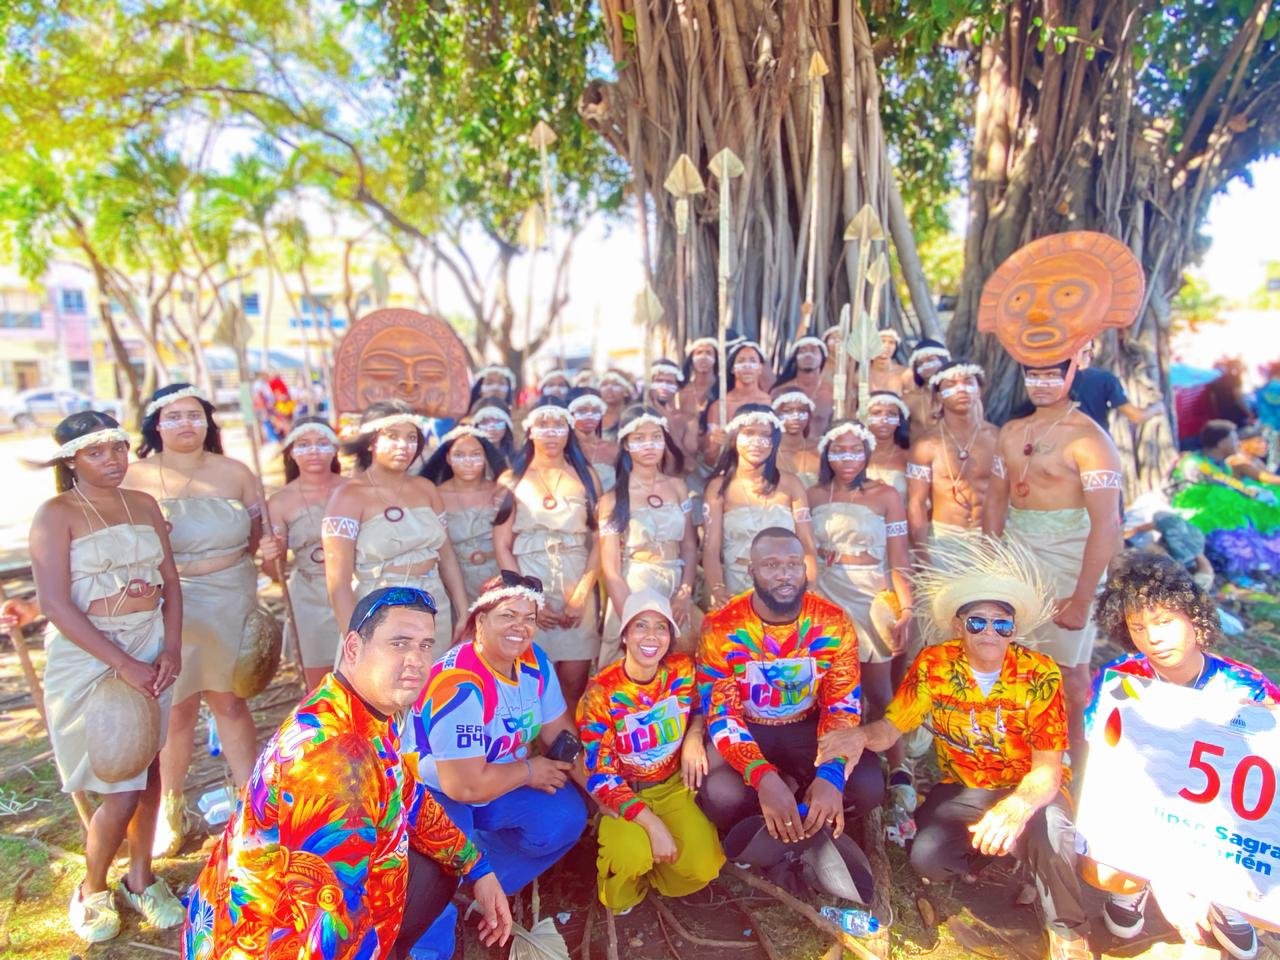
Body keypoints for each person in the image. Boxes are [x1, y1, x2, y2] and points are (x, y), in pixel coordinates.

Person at [182, 586, 512, 960]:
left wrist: (476, 867)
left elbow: (409, 797)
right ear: (353, 648)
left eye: (425, 645)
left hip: (258, 918)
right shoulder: (335, 762)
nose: (417, 660)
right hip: (268, 944)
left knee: (436, 864)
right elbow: (328, 927)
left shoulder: (355, 707)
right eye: (399, 643)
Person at [816, 534, 1092, 960]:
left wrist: (1017, 808)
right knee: (927, 858)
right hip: (965, 785)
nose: (990, 632)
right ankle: (1002, 853)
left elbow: (1047, 770)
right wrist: (860, 737)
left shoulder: (1041, 674)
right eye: (977, 622)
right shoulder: (934, 664)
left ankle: (1068, 929)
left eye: (1002, 624)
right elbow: (893, 727)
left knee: (1053, 831)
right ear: (959, 626)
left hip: (1027, 787)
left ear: (1014, 630)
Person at [31, 412, 185, 941]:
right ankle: (92, 887)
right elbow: (54, 603)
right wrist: (123, 663)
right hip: (91, 651)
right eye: (96, 452)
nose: (112, 460)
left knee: (149, 767)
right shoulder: (56, 514)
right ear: (71, 461)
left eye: (117, 448)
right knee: (119, 783)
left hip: (149, 643)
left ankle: (141, 878)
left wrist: (171, 647)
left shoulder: (143, 504)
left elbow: (170, 583)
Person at [1081, 550, 1276, 959]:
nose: (1153, 638)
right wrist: (1165, 875)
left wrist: (1264, 723)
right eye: (1138, 627)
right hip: (1144, 810)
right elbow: (1107, 770)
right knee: (1102, 868)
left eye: (1165, 622)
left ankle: (1224, 898)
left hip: (1222, 825)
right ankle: (1136, 887)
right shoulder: (1120, 680)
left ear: (1194, 618)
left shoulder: (1246, 686)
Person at [403, 573, 588, 960]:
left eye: (528, 618)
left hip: (500, 781)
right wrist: (530, 772)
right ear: (480, 620)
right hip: (436, 792)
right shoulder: (458, 683)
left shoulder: (533, 661)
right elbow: (464, 786)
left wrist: (605, 796)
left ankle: (477, 893)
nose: (520, 627)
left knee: (565, 818)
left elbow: (560, 733)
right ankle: (429, 941)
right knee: (439, 861)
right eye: (507, 616)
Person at [123, 383, 265, 856]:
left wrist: (271, 548)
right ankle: (169, 808)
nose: (186, 424)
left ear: (208, 422)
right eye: (174, 416)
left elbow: (258, 536)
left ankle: (252, 806)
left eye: (195, 415)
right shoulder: (134, 476)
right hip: (168, 599)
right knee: (177, 706)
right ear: (156, 425)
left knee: (230, 700)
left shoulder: (236, 472)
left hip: (230, 594)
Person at [697, 527, 884, 842]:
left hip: (807, 727)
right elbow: (722, 714)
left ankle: (801, 816)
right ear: (751, 571)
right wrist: (763, 777)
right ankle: (778, 823)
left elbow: (841, 705)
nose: (784, 574)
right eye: (771, 565)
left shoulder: (833, 622)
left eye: (793, 564)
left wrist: (831, 775)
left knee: (867, 786)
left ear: (804, 569)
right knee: (721, 795)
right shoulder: (721, 627)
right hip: (748, 727)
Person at [985, 357, 1123, 770]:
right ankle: (1020, 760)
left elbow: (1107, 524)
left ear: (1071, 375)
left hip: (1069, 561)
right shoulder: (1011, 431)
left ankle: (1075, 768)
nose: (1041, 383)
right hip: (1017, 559)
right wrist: (988, 565)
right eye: (1034, 374)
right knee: (1013, 663)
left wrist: (1082, 600)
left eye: (1051, 375)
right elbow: (995, 501)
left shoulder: (1089, 439)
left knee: (1067, 673)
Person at [578, 590, 724, 914]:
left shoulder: (681, 670)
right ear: (625, 635)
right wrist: (652, 825)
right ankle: (629, 885)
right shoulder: (601, 692)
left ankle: (657, 876)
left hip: (672, 786)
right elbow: (601, 776)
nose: (651, 636)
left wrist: (694, 734)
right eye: (640, 626)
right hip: (623, 794)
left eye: (661, 628)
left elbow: (700, 706)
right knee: (629, 857)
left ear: (671, 637)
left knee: (705, 867)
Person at [808, 420, 914, 803]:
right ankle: (827, 760)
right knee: (825, 684)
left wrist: (905, 606)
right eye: (839, 450)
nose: (848, 458)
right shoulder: (813, 495)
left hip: (870, 597)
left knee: (879, 689)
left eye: (856, 450)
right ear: (826, 453)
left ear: (867, 453)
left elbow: (899, 558)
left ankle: (899, 766)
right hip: (826, 595)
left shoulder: (886, 495)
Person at [323, 401, 468, 658]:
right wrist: (356, 642)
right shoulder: (348, 496)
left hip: (434, 605)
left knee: (434, 679)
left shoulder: (426, 489)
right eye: (392, 436)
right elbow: (338, 583)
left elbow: (446, 556)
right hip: (380, 610)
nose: (403, 445)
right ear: (371, 442)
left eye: (411, 437)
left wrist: (462, 609)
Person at [493, 399, 602, 708]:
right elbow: (502, 545)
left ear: (569, 430)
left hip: (576, 579)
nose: (551, 433)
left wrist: (581, 594)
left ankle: (569, 737)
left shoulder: (587, 476)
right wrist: (529, 600)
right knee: (532, 678)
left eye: (558, 425)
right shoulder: (511, 479)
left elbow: (600, 540)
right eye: (543, 425)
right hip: (529, 579)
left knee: (574, 678)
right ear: (529, 430)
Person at [597, 406, 697, 666]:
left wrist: (684, 593)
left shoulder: (678, 487)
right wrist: (631, 616)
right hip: (635, 586)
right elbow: (611, 569)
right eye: (639, 439)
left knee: (679, 662)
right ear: (626, 444)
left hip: (674, 583)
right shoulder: (613, 498)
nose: (649, 445)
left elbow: (688, 545)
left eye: (656, 437)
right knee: (633, 663)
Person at [701, 404, 817, 607]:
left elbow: (806, 545)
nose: (757, 442)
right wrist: (718, 589)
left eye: (765, 435)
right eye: (749, 434)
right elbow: (711, 549)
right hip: (735, 587)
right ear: (734, 437)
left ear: (774, 442)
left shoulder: (791, 484)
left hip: (786, 587)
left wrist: (810, 587)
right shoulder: (718, 487)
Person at [259, 417, 345, 691]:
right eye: (304, 445)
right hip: (309, 595)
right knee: (320, 685)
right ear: (291, 453)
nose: (314, 451)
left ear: (335, 448)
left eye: (322, 443)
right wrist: (270, 554)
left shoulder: (354, 489)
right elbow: (275, 573)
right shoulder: (280, 501)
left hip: (355, 587)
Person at [906, 362, 1000, 555]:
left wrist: (995, 545)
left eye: (968, 382)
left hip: (991, 538)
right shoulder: (926, 446)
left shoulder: (998, 439)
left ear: (979, 390)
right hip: (945, 540)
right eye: (950, 385)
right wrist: (923, 555)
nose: (961, 389)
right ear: (939, 396)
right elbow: (916, 503)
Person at [421, 425, 506, 603]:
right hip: (453, 579)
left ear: (485, 457)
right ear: (448, 458)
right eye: (459, 455)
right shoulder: (435, 495)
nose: (468, 461)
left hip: (499, 577)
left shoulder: (500, 491)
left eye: (475, 454)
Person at [701, 341, 774, 466]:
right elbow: (710, 459)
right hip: (730, 470)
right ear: (732, 369)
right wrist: (717, 443)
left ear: (760, 368)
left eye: (752, 361)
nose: (747, 366)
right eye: (741, 361)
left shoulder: (771, 403)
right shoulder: (719, 407)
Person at [1070, 341, 1162, 430]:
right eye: (1089, 351)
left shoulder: (1062, 380)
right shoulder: (1105, 379)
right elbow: (1136, 416)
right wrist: (1156, 408)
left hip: (1067, 438)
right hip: (1096, 437)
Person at [773, 336, 832, 434]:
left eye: (814, 351)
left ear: (823, 357)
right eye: (803, 351)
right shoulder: (780, 392)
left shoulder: (831, 393)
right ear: (795, 358)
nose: (808, 355)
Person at [645, 358, 698, 460]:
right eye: (658, 381)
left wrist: (670, 425)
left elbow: (688, 464)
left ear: (677, 387)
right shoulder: (636, 417)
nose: (664, 386)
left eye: (669, 382)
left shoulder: (688, 420)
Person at [569, 389, 620, 492]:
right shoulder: (562, 450)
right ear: (570, 414)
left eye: (596, 411)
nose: (590, 416)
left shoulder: (614, 449)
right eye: (582, 411)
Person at [864, 391, 911, 499]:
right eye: (877, 413)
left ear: (899, 421)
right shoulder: (856, 454)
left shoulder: (909, 457)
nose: (884, 420)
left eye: (891, 414)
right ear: (865, 418)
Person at [772, 390, 821, 487]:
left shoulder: (819, 450)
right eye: (787, 411)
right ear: (776, 416)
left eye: (802, 411)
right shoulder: (768, 452)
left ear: (809, 416)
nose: (796, 416)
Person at [900, 338, 950, 429]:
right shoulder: (909, 400)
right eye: (920, 363)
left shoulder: (959, 394)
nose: (926, 366)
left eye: (931, 360)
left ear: (943, 360)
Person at [469, 401, 519, 471]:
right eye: (484, 422)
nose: (491, 428)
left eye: (497, 421)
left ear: (507, 425)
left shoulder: (519, 456)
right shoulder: (469, 457)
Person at [678, 337, 718, 417]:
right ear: (691, 359)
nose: (704, 357)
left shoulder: (723, 389)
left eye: (708, 353)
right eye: (699, 353)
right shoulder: (683, 392)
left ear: (716, 359)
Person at [866, 329, 906, 394]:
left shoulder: (904, 374)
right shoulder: (862, 374)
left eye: (891, 342)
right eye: (882, 341)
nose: (886, 346)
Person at [599, 369, 636, 440]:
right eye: (604, 384)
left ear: (626, 392)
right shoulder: (594, 416)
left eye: (616, 384)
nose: (609, 388)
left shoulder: (634, 417)